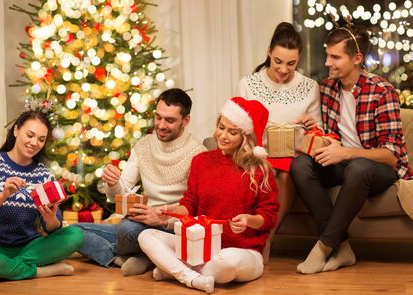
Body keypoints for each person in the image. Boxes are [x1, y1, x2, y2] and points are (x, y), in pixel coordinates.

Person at [290, 24, 412, 274]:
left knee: (357, 168)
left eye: (335, 57)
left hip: (378, 169)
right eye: (327, 55)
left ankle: (323, 247)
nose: (327, 62)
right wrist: (315, 127)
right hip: (343, 162)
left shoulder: (382, 91)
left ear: (357, 59)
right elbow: (330, 135)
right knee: (300, 165)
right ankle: (343, 247)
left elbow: (391, 155)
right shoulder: (326, 88)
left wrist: (345, 152)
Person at [138, 97, 279, 293]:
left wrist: (248, 220)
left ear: (246, 136)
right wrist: (171, 211)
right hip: (200, 248)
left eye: (232, 132)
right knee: (147, 235)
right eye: (221, 127)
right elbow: (189, 205)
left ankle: (172, 270)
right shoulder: (201, 161)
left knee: (226, 265)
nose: (223, 136)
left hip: (243, 251)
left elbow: (269, 218)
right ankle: (191, 278)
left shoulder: (259, 170)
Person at [74, 88, 206, 275]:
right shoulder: (144, 145)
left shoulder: (198, 153)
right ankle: (136, 257)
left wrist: (162, 218)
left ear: (186, 120)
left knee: (127, 228)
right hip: (142, 224)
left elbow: (198, 209)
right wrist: (112, 183)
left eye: (169, 120)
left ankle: (147, 253)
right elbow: (119, 196)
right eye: (158, 117)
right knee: (74, 233)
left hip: (173, 228)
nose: (160, 125)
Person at [0, 109, 84, 282]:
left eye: (41, 139)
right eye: (30, 135)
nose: (34, 143)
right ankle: (39, 271)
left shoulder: (44, 175)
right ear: (16, 130)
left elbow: (54, 229)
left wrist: (50, 219)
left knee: (75, 235)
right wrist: (2, 196)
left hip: (30, 247)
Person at [237, 22, 322, 263]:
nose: (284, 69)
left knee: (284, 173)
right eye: (278, 61)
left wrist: (310, 124)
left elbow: (319, 131)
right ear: (269, 53)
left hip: (292, 152)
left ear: (299, 60)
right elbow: (238, 124)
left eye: (291, 63)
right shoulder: (248, 84)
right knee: (267, 168)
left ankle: (267, 239)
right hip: (258, 149)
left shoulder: (309, 87)